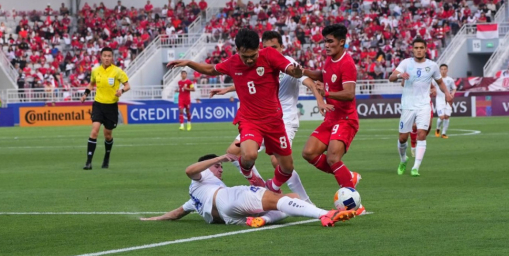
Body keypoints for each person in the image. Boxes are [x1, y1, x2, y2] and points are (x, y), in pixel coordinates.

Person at [167, 29, 303, 194]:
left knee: (287, 168)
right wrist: (189, 63)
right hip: (250, 120)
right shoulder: (233, 62)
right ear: (237, 50)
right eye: (245, 57)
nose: (250, 60)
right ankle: (248, 171)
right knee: (249, 155)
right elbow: (210, 70)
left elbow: (289, 68)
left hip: (274, 121)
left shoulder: (269, 55)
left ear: (259, 48)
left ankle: (271, 187)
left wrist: (294, 72)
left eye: (253, 55)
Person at [210, 31, 324, 202]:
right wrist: (228, 89)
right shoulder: (262, 60)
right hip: (261, 116)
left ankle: (305, 201)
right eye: (268, 47)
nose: (271, 50)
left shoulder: (289, 64)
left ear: (282, 47)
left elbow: (308, 81)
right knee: (233, 152)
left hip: (284, 118)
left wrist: (320, 100)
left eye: (275, 47)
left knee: (276, 160)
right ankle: (261, 186)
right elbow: (252, 82)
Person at [140, 154, 356, 228]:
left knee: (292, 198)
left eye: (221, 167)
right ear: (207, 167)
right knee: (275, 199)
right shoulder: (202, 177)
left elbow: (177, 213)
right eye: (217, 167)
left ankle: (265, 220)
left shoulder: (195, 196)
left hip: (229, 218)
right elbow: (189, 170)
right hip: (227, 199)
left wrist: (153, 219)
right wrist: (218, 158)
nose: (220, 169)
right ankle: (324, 214)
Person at [301, 24, 361, 189]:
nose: (326, 45)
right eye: (324, 41)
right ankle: (348, 177)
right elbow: (324, 74)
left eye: (330, 41)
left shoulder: (347, 63)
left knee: (332, 158)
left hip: (345, 119)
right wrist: (304, 72)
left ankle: (352, 200)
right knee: (309, 153)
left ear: (341, 42)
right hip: (331, 118)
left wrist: (326, 93)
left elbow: (349, 93)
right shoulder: (330, 59)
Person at [389, 38, 453, 177]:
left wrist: (447, 93)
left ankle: (415, 167)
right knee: (402, 138)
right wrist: (400, 75)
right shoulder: (406, 63)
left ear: (425, 49)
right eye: (416, 47)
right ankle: (403, 159)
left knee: (422, 134)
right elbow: (391, 77)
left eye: (421, 48)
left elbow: (440, 82)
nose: (418, 50)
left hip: (424, 105)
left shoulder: (432, 65)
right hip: (408, 105)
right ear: (413, 49)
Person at [80, 47, 130, 169]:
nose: (107, 58)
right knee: (94, 130)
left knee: (107, 135)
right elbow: (92, 83)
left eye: (109, 56)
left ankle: (106, 157)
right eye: (105, 56)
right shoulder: (95, 71)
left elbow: (127, 85)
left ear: (112, 57)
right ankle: (88, 162)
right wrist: (85, 94)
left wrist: (121, 91)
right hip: (98, 104)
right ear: (101, 57)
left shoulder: (118, 71)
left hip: (111, 106)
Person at [434, 64, 457, 139]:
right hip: (439, 100)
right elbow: (431, 87)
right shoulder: (436, 79)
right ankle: (438, 128)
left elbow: (454, 88)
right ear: (440, 70)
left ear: (447, 70)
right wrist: (432, 91)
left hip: (448, 100)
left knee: (447, 117)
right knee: (441, 117)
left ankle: (443, 133)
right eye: (442, 69)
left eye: (445, 69)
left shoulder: (450, 80)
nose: (443, 71)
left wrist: (452, 94)